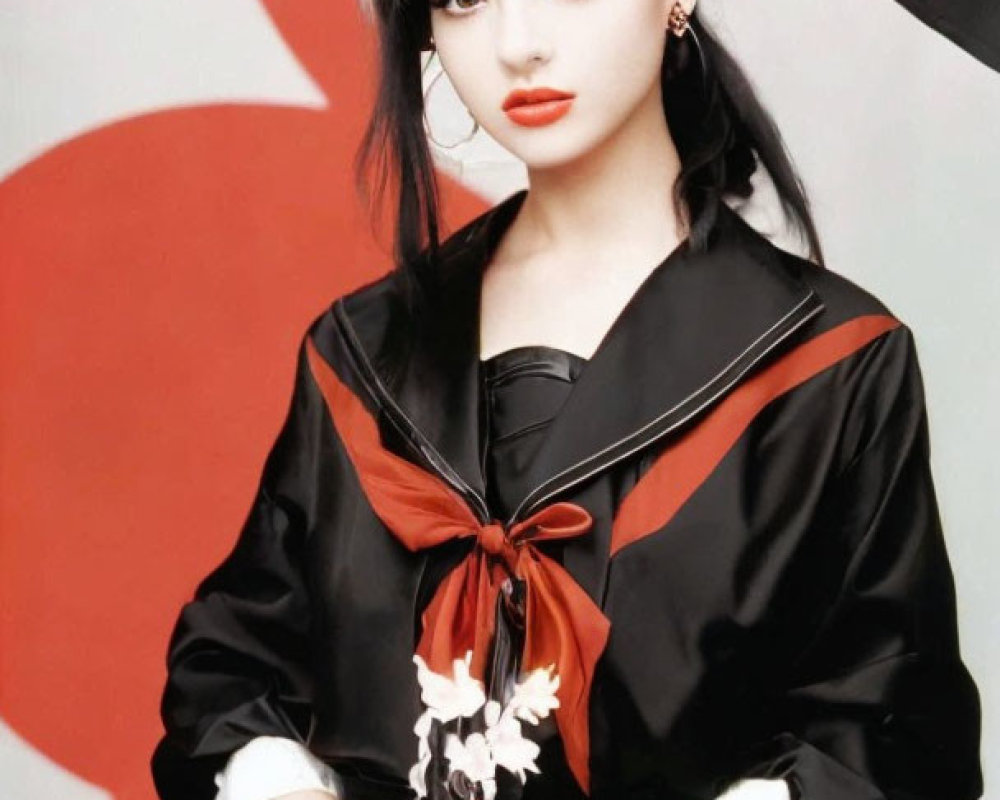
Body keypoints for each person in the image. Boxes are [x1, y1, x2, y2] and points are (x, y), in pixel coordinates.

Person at [151, 1, 984, 799]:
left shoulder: (830, 365)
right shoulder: (360, 353)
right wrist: (283, 784)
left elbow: (895, 737)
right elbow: (231, 665)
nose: (518, 42)